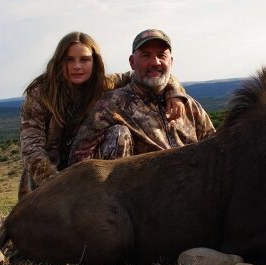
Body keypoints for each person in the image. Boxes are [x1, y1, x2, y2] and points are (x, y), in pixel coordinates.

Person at [18, 31, 186, 199]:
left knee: (119, 133)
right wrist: (58, 186)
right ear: (59, 61)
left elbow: (150, 73)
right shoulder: (40, 94)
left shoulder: (105, 84)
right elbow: (32, 148)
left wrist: (174, 92)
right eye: (69, 59)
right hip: (48, 180)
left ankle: (112, 201)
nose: (77, 66)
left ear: (95, 62)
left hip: (87, 170)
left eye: (84, 59)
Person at [70, 29, 215, 164]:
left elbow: (216, 148)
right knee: (119, 133)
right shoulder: (111, 105)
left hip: (191, 187)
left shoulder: (190, 106)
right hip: (137, 188)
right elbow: (78, 160)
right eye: (146, 55)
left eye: (161, 55)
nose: (155, 62)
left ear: (171, 61)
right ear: (132, 62)